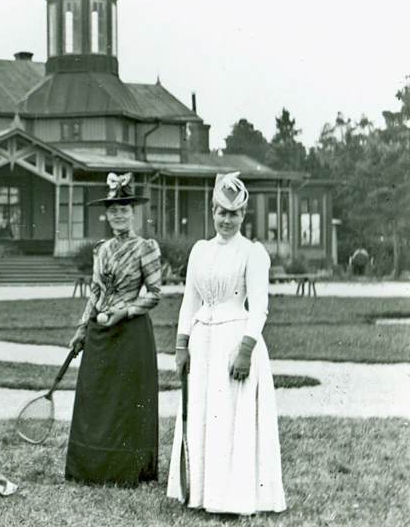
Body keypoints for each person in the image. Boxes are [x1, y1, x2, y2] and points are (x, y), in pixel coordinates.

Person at [167, 172, 287, 515]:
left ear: (243, 216)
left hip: (234, 342)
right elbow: (189, 301)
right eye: (221, 211)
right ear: (212, 210)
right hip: (203, 342)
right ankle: (202, 493)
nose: (226, 220)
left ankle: (231, 497)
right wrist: (181, 345)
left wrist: (245, 350)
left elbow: (259, 307)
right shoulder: (200, 251)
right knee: (205, 416)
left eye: (233, 214)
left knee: (230, 418)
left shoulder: (252, 253)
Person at [65, 172, 162, 486]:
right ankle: (92, 467)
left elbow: (154, 293)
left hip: (131, 332)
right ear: (106, 215)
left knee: (127, 400)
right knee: (96, 397)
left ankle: (126, 470)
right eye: (113, 210)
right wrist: (82, 328)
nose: (119, 214)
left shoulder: (146, 247)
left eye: (124, 208)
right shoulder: (101, 249)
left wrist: (126, 311)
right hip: (100, 332)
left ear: (133, 213)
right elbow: (95, 292)